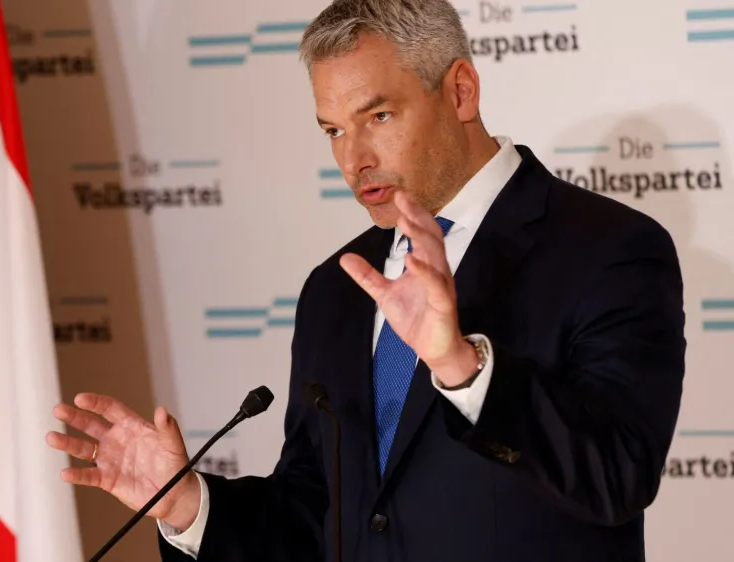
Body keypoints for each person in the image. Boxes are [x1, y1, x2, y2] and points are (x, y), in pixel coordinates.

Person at [45, 0, 686, 560]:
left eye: (378, 116)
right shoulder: (337, 287)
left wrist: (462, 367)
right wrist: (190, 505)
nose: (354, 160)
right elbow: (317, 516)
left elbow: (617, 477)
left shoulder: (609, 250)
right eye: (333, 130)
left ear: (461, 91)